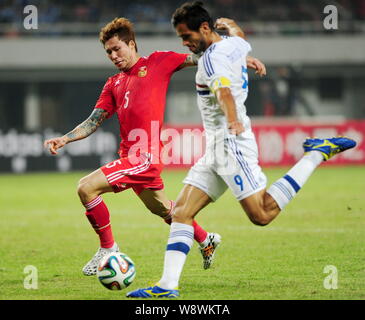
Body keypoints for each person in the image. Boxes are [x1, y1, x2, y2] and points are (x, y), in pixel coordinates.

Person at [126, 1, 356, 298]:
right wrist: (249, 57)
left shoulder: (210, 61)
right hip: (216, 147)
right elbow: (237, 34)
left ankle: (316, 154)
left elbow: (222, 91)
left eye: (187, 36)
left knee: (261, 214)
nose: (184, 43)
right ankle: (166, 287)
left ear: (205, 28)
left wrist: (233, 118)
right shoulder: (234, 44)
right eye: (181, 38)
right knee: (181, 212)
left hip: (232, 142)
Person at [43, 16, 266, 275]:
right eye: (108, 52)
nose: (113, 55)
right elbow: (94, 120)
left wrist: (238, 60)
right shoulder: (113, 84)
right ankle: (206, 240)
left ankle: (109, 248)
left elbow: (202, 59)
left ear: (132, 44)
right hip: (130, 156)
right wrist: (66, 138)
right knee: (165, 210)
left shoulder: (159, 61)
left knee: (86, 188)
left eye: (117, 48)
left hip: (144, 158)